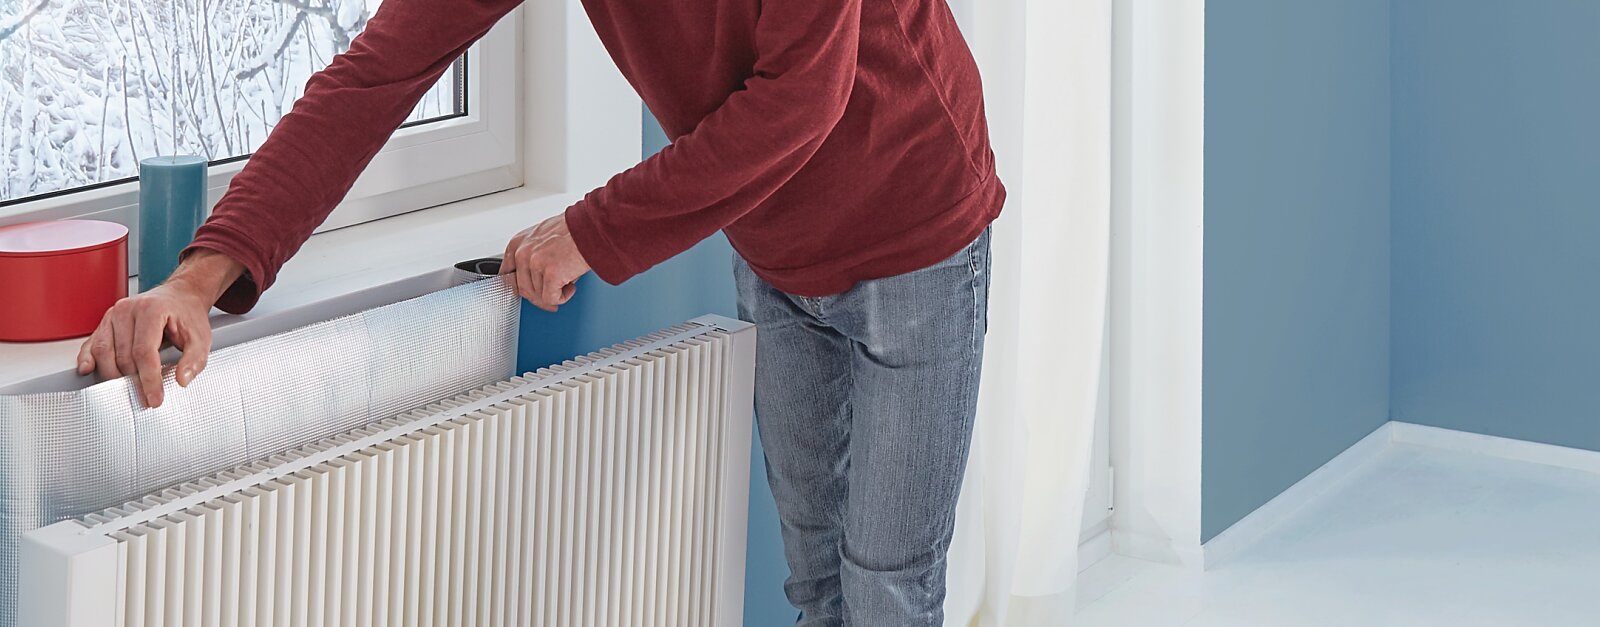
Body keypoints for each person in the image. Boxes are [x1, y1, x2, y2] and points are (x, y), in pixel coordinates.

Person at [75, 0, 1002, 623]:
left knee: (886, 584)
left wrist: (591, 231)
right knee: (817, 580)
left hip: (912, 224)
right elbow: (373, 79)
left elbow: (804, 97)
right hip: (773, 243)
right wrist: (198, 277)